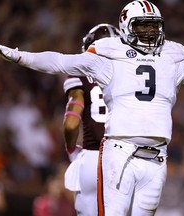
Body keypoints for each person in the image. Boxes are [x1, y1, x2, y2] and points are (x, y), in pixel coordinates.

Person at [0, 0, 184, 215]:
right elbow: (59, 61)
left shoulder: (173, 55)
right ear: (126, 27)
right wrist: (17, 56)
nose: (150, 32)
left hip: (158, 158)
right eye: (143, 26)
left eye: (154, 26)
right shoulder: (107, 54)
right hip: (119, 152)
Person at [63, 23, 120, 216]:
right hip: (124, 159)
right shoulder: (131, 74)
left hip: (92, 160)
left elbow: (71, 124)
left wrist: (71, 149)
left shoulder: (81, 71)